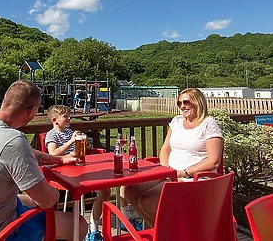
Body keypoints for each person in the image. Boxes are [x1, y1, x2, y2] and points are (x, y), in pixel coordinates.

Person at [0, 80, 88, 241]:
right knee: (77, 224)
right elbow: (47, 200)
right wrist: (56, 193)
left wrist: (59, 159)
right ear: (31, 110)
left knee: (30, 201)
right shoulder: (13, 141)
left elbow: (24, 152)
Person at [123, 88, 224, 227]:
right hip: (171, 175)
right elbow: (165, 149)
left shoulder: (209, 124)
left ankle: (169, 232)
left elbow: (214, 161)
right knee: (130, 190)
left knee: (147, 201)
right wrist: (165, 168)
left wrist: (183, 172)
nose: (182, 106)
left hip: (195, 179)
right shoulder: (176, 121)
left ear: (198, 102)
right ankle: (160, 231)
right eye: (179, 103)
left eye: (186, 102)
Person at [44, 105, 111, 241]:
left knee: (105, 191)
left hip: (80, 167)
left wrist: (86, 145)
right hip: (65, 173)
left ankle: (93, 227)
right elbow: (53, 153)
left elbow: (78, 150)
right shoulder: (52, 134)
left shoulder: (69, 131)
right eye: (65, 117)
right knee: (91, 191)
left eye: (69, 116)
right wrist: (71, 141)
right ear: (55, 120)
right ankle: (78, 230)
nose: (69, 118)